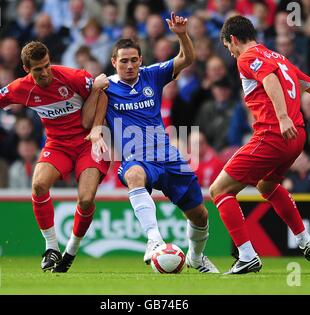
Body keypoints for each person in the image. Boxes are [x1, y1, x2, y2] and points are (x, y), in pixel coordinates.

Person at [0, 41, 110, 272]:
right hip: (57, 145)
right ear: (28, 69)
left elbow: (102, 96)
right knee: (38, 185)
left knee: (86, 199)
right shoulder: (21, 87)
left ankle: (71, 251)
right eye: (38, 69)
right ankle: (51, 248)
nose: (45, 72)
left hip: (87, 143)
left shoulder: (72, 76)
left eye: (47, 65)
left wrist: (97, 128)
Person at [210, 15, 310, 275]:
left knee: (219, 190)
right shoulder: (279, 58)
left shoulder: (247, 58)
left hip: (273, 133)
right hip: (296, 137)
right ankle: (304, 239)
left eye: (227, 47)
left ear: (233, 39)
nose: (230, 53)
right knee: (267, 185)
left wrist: (281, 116)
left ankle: (246, 256)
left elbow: (269, 81)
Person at [82, 13, 219, 274]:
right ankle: (154, 238)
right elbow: (88, 120)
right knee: (133, 174)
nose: (130, 65)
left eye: (134, 60)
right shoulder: (106, 87)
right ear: (114, 62)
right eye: (124, 61)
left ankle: (197, 257)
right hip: (137, 157)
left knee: (200, 215)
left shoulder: (153, 75)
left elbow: (187, 59)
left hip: (167, 155)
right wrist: (94, 90)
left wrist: (181, 34)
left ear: (141, 60)